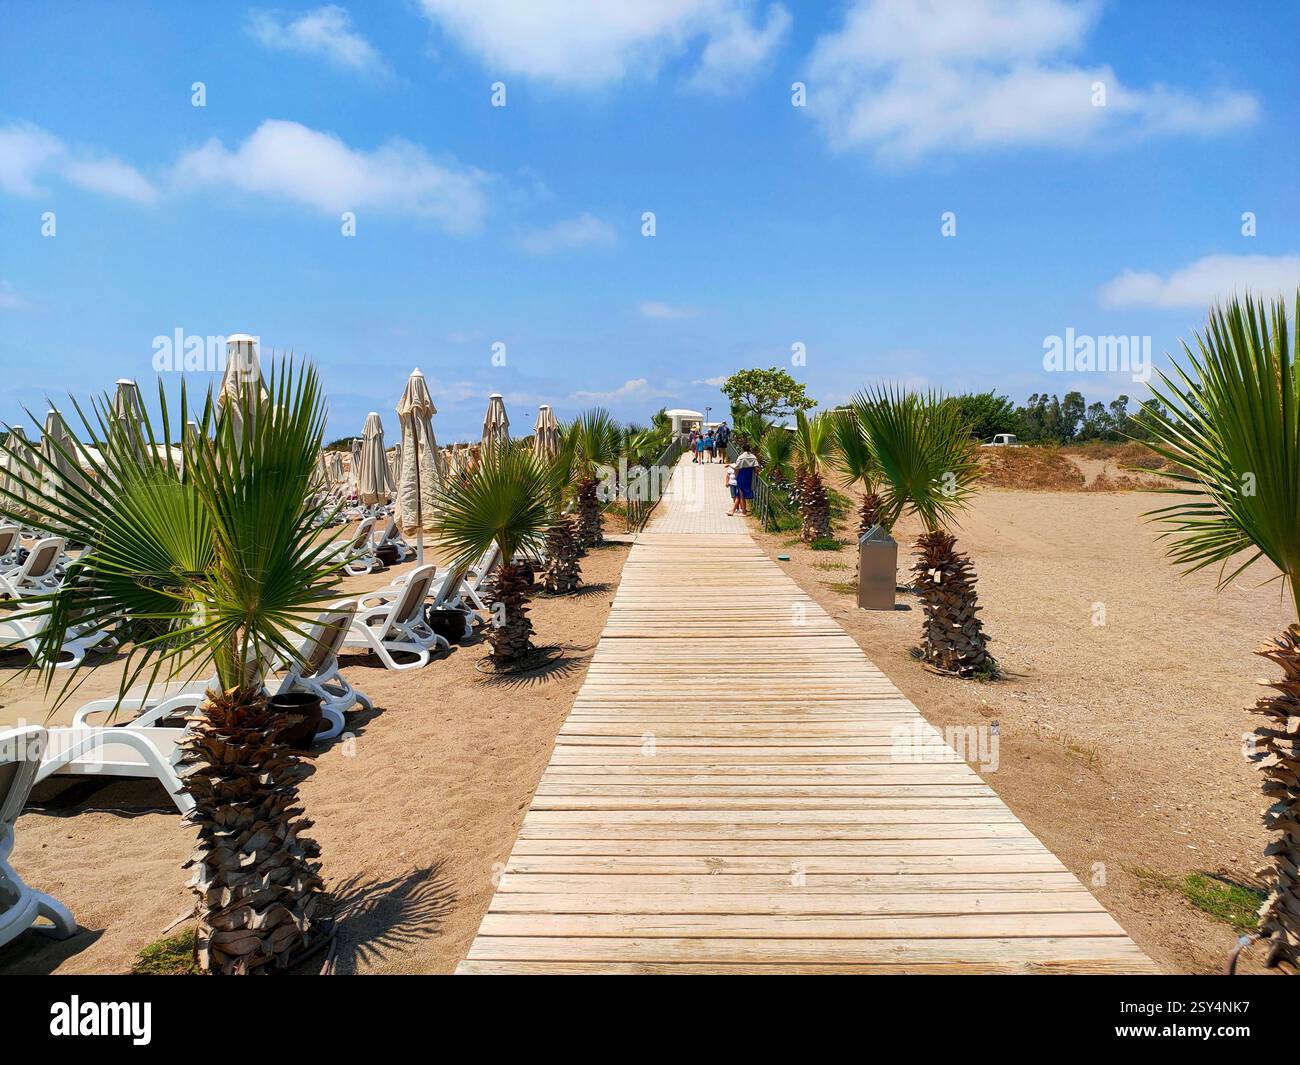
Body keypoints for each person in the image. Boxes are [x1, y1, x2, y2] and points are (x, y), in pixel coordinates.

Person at [730, 438, 758, 516]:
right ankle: (735, 511)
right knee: (741, 493)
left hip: (742, 476)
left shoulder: (741, 457)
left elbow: (737, 467)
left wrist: (730, 466)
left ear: (743, 449)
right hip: (749, 476)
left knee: (741, 494)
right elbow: (756, 467)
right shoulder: (753, 457)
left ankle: (743, 512)